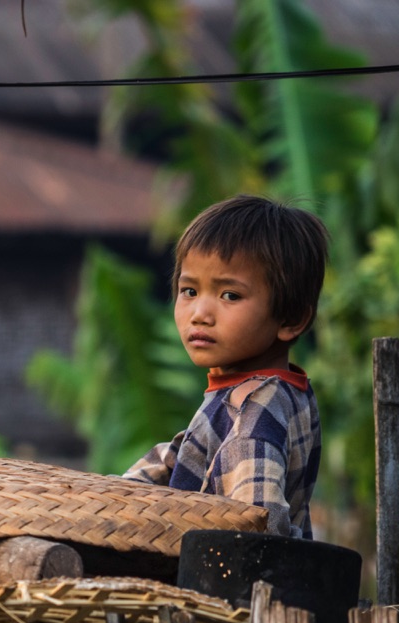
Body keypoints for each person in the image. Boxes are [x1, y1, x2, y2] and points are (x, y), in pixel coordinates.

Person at [122, 195, 328, 539]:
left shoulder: (256, 406)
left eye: (229, 295)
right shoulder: (271, 393)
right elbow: (175, 460)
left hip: (234, 588)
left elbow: (256, 522)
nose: (200, 313)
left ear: (292, 318)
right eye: (189, 290)